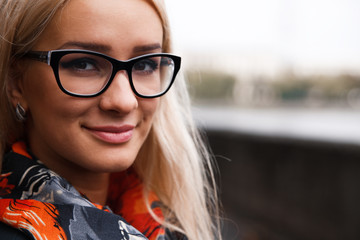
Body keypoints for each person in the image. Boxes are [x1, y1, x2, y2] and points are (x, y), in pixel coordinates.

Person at [0, 0, 221, 239]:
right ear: (16, 82)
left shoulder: (164, 224)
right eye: (83, 64)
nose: (125, 101)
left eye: (146, 64)